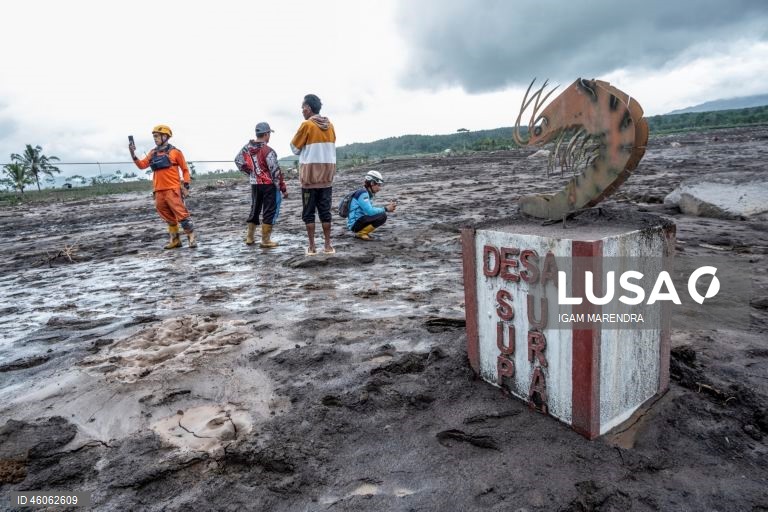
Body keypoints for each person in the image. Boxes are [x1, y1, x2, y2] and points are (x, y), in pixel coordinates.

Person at [129, 125, 197, 248]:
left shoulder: (176, 152)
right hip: (158, 191)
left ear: (165, 136)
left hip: (173, 190)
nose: (155, 139)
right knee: (168, 217)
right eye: (154, 137)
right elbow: (142, 165)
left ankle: (191, 239)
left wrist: (186, 185)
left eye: (157, 136)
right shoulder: (152, 153)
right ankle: (175, 240)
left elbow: (185, 170)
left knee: (182, 215)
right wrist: (132, 153)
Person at [290, 94, 336, 255]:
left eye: (303, 107)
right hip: (327, 177)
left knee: (309, 213)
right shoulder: (330, 126)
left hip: (309, 179)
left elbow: (294, 148)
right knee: (325, 212)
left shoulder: (307, 125)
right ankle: (328, 246)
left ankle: (312, 247)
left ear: (308, 108)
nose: (302, 110)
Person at [235, 122, 288, 248]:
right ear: (266, 134)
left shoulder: (246, 148)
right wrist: (283, 188)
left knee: (255, 209)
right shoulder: (268, 151)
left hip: (255, 184)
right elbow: (275, 171)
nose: (269, 136)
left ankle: (250, 237)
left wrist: (251, 172)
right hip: (268, 184)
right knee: (269, 211)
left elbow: (238, 161)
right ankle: (265, 240)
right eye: (269, 134)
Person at [347, 170, 396, 240]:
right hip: (355, 225)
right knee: (382, 216)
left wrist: (385, 209)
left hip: (357, 222)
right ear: (372, 183)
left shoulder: (365, 192)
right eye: (378, 185)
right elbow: (370, 211)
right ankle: (361, 233)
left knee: (381, 214)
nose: (380, 188)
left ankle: (362, 232)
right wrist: (386, 209)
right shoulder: (363, 194)